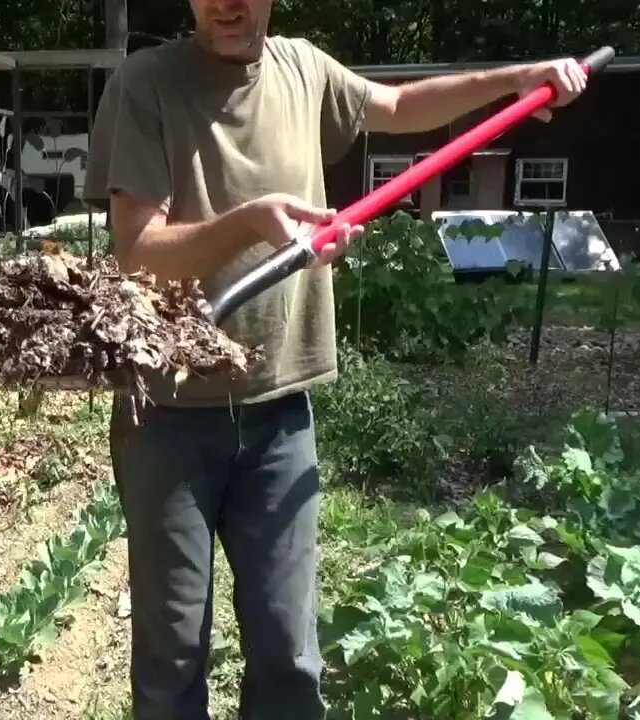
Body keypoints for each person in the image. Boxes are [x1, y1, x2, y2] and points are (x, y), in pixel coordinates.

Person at [83, 1, 588, 717]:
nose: (227, 3)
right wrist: (251, 223)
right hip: (167, 418)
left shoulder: (302, 67)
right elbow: (137, 251)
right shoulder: (147, 83)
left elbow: (401, 104)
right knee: (172, 661)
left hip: (280, 418)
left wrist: (519, 78)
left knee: (291, 656)